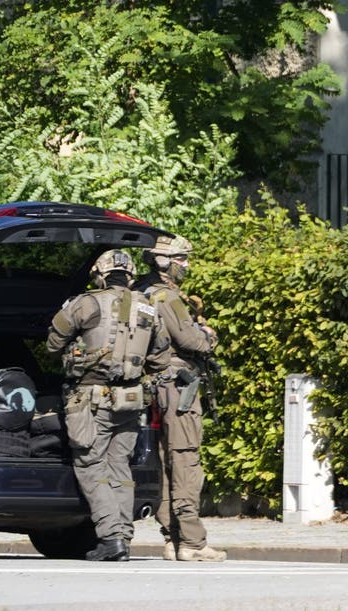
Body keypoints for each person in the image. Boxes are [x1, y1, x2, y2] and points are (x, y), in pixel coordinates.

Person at [47, 249, 170, 562]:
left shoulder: (86, 302)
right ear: (129, 275)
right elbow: (160, 356)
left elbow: (52, 343)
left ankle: (110, 537)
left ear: (100, 274)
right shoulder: (147, 307)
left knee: (92, 466)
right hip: (131, 400)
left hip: (92, 400)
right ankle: (124, 538)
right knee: (120, 467)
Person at [136, 235, 225, 562]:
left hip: (150, 386)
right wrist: (208, 336)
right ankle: (192, 542)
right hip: (177, 385)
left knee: (162, 460)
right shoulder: (168, 297)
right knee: (185, 458)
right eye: (182, 259)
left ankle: (171, 539)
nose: (186, 264)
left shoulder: (139, 291)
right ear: (165, 262)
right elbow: (191, 340)